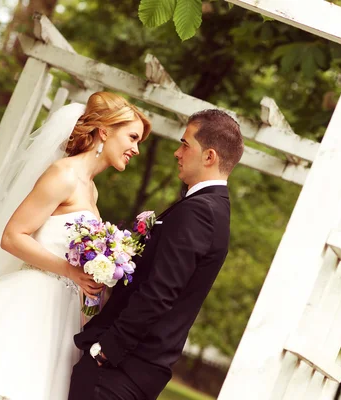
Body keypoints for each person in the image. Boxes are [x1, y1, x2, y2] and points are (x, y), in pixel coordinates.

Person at [0, 92, 151, 400]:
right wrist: (70, 271)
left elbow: (80, 271)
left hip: (62, 317)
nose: (135, 149)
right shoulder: (63, 174)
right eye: (132, 137)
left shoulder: (91, 191)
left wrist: (93, 293)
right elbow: (13, 236)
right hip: (29, 305)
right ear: (105, 131)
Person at [70, 109, 244, 400]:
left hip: (120, 370)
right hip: (130, 369)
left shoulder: (200, 212)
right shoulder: (210, 208)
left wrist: (106, 350)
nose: (177, 153)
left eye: (186, 144)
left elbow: (160, 292)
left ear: (209, 157)